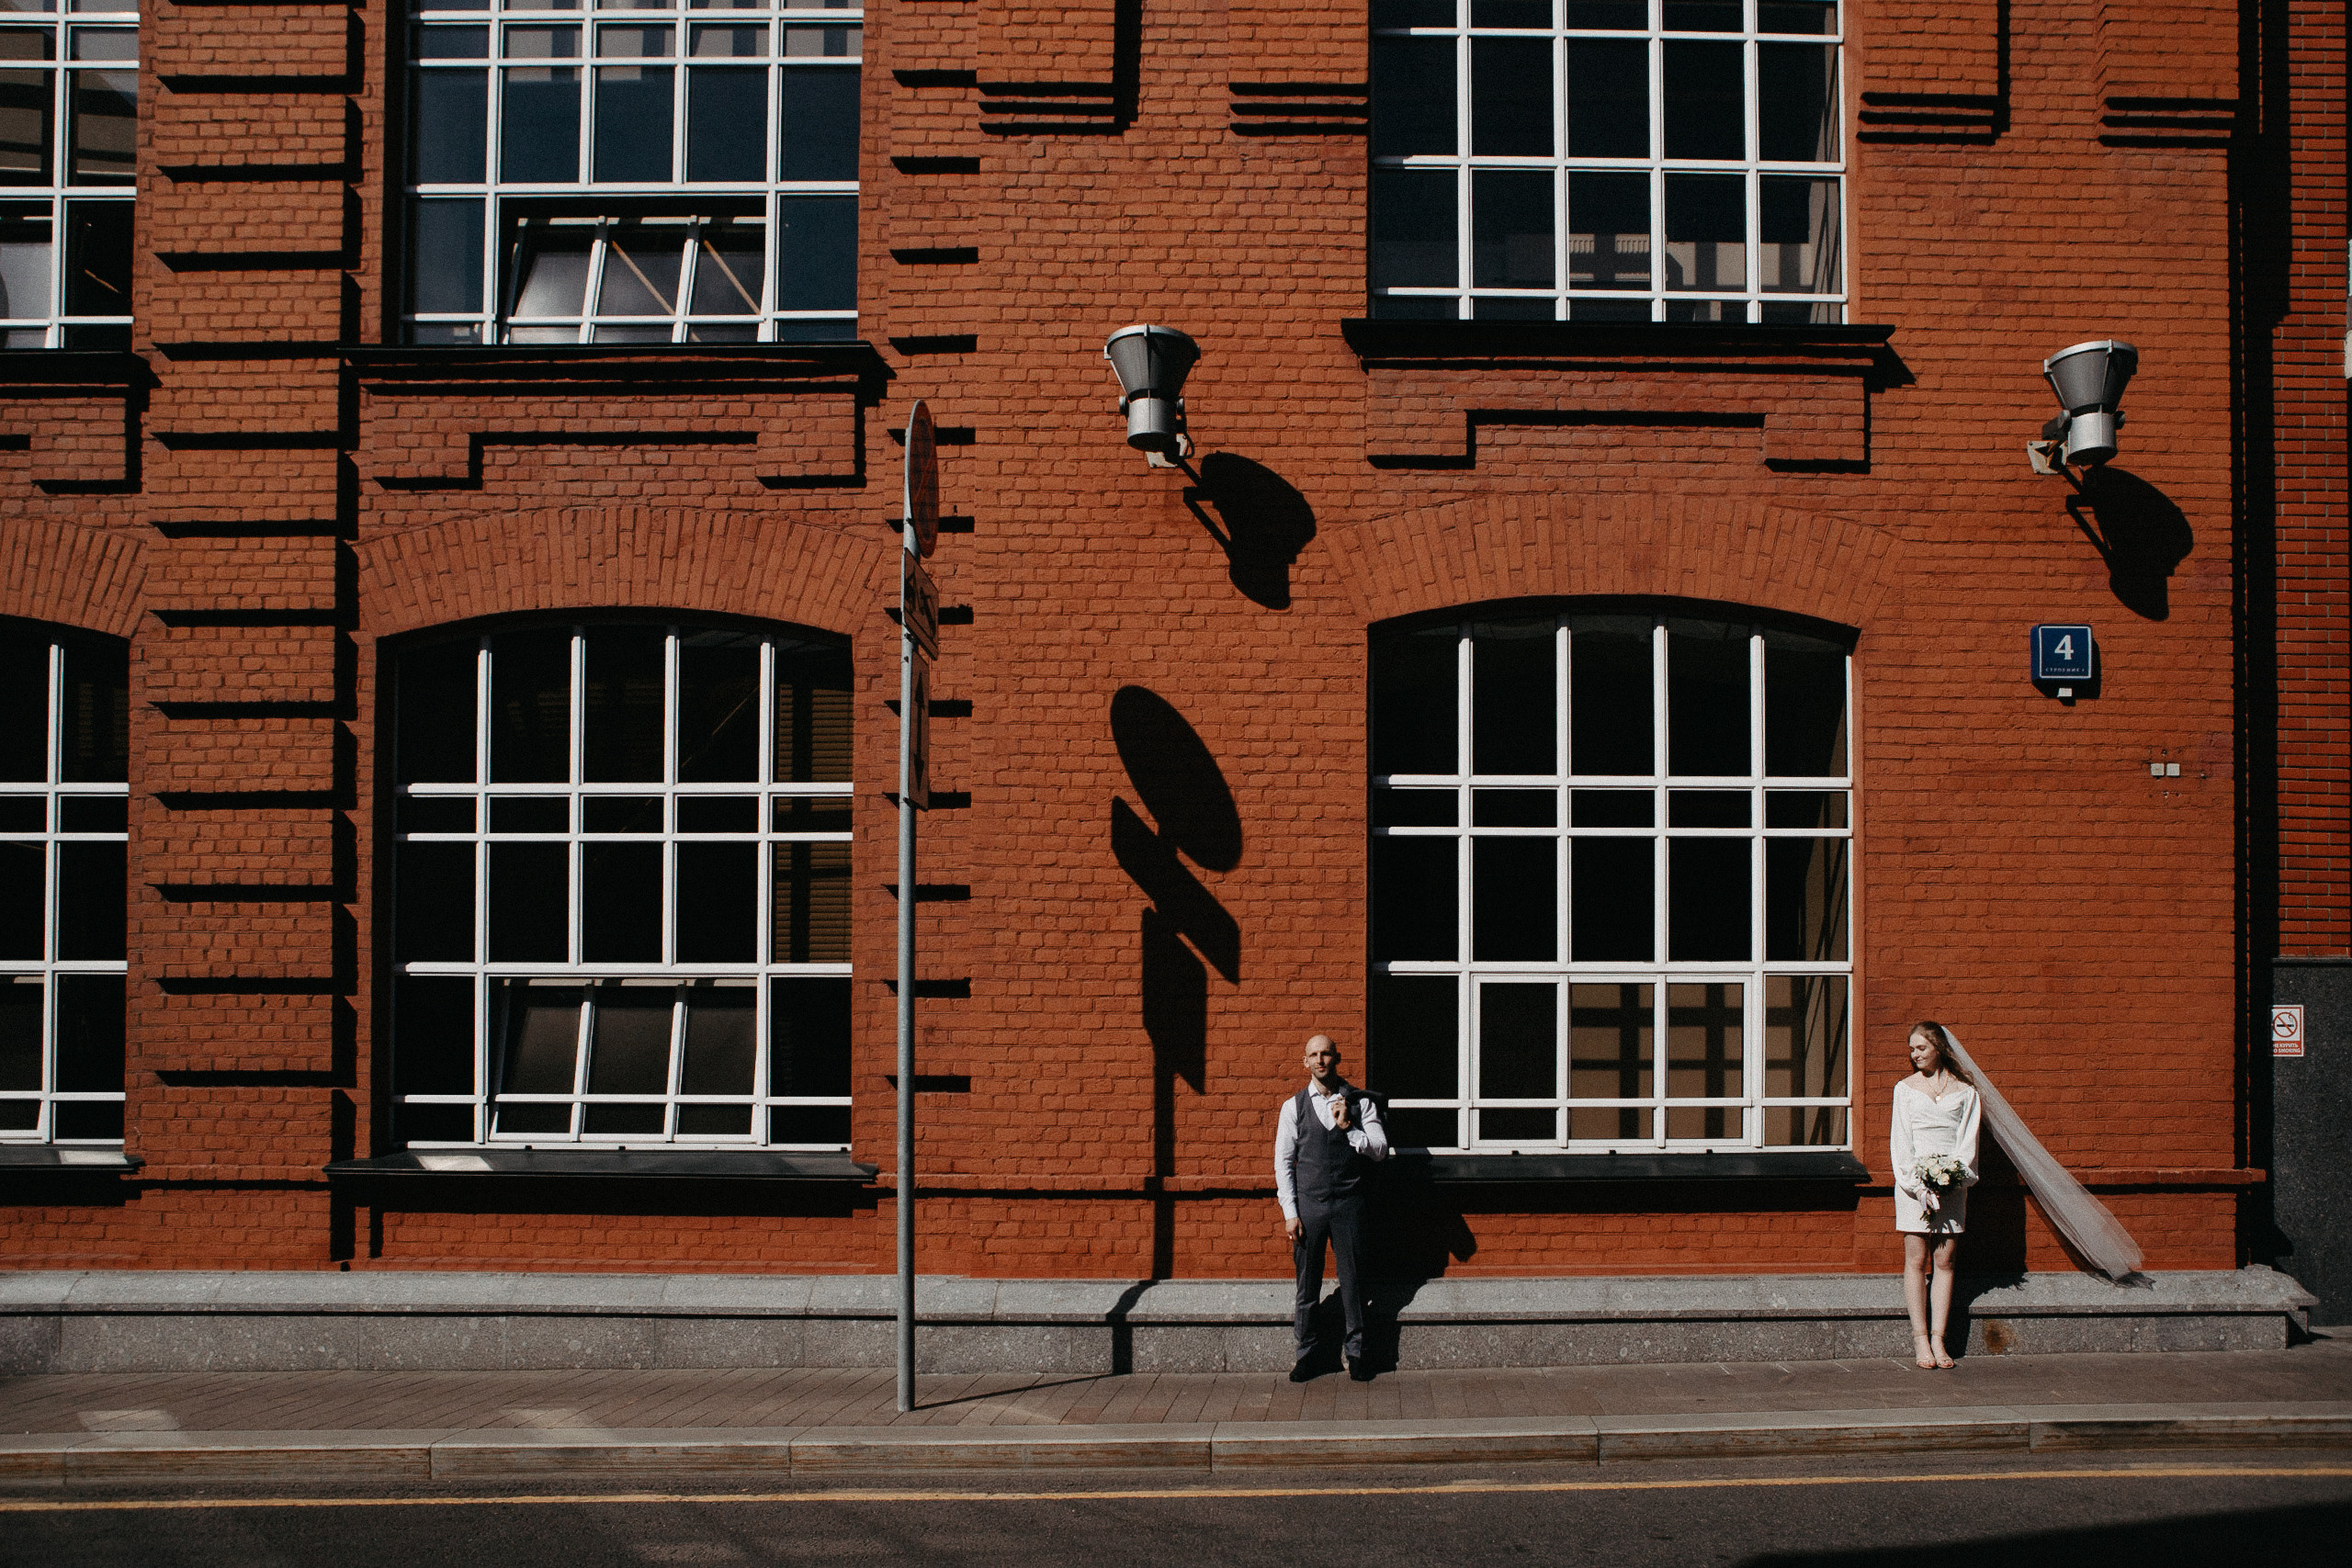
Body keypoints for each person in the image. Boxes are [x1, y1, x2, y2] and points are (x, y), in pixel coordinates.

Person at [1274, 1032, 1388, 1382]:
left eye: (1326, 1054)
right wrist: (1290, 1213)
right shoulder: (1293, 1106)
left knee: (1353, 1283)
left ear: (1336, 1058)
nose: (1320, 1060)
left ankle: (1357, 1354)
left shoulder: (1360, 1103)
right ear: (1305, 1062)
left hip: (1349, 1205)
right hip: (1309, 1207)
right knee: (1307, 1284)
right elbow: (1284, 1162)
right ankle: (1307, 1355)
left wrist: (1349, 1128)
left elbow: (1381, 1150)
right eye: (1314, 1055)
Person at [1891, 1020, 1983, 1370]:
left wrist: (1951, 1180)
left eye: (1921, 1048)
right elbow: (1901, 1144)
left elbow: (1968, 1143)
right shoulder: (1905, 1089)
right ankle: (1919, 1342)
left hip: (1952, 1187)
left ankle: (1939, 1340)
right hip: (1913, 1187)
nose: (1914, 1055)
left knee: (1944, 1261)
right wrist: (1919, 1185)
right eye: (1911, 1049)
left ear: (1938, 1048)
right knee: (1916, 1260)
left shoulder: (1966, 1091)